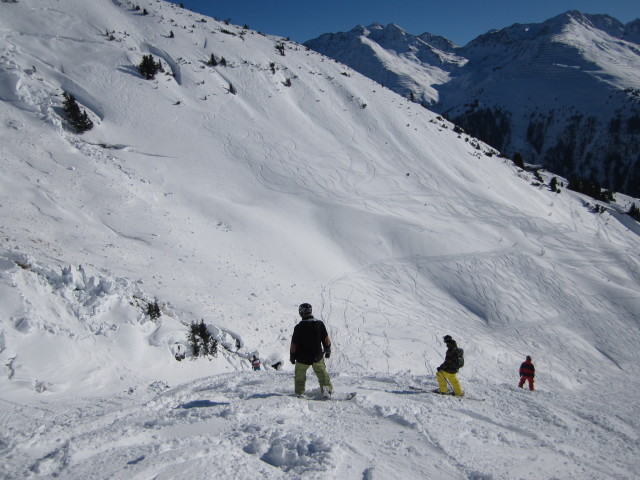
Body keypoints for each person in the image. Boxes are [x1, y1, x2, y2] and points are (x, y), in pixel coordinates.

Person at [290, 303, 333, 398]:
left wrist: (292, 356)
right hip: (316, 355)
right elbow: (326, 339)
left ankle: (299, 392)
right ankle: (326, 390)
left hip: (302, 357)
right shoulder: (319, 324)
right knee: (322, 373)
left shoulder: (298, 327)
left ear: (301, 313)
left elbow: (294, 345)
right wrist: (327, 350)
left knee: (299, 375)